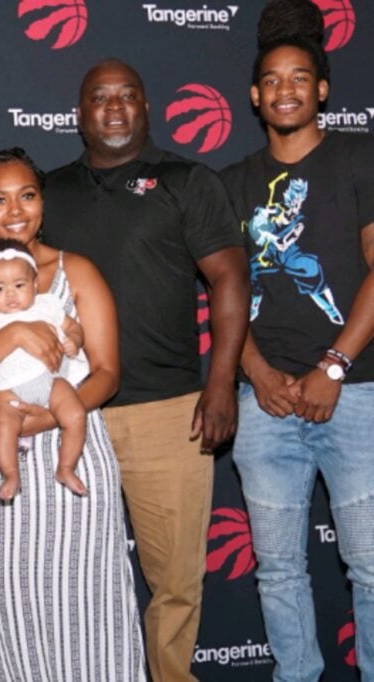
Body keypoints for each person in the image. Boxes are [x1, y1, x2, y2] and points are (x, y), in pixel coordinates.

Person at [41, 59, 249, 682]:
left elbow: (230, 278)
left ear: (146, 107)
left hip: (169, 413)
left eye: (126, 95)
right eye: (98, 97)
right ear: (78, 112)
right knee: (66, 582)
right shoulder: (47, 192)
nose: (112, 107)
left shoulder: (187, 180)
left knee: (175, 586)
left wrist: (221, 384)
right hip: (69, 414)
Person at [0, 147, 145, 680]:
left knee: (85, 604)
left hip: (69, 447)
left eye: (26, 195)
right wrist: (17, 333)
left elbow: (106, 373)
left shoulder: (78, 271)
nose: (14, 211)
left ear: (42, 202)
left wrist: (50, 418)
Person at [219, 18, 374, 680]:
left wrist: (332, 367)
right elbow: (225, 292)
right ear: (255, 96)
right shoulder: (230, 183)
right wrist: (254, 371)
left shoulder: (358, 158)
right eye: (272, 80)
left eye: (299, 78)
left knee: (370, 564)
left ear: (323, 90)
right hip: (264, 406)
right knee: (278, 567)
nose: (285, 90)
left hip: (357, 394)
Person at [0, 238, 88, 500]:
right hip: (6, 386)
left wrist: (74, 342)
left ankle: (66, 467)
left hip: (50, 379)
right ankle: (10, 473)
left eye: (19, 285)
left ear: (35, 285)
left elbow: (74, 327)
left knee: (76, 414)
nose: (10, 294)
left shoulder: (47, 306)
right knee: (3, 422)